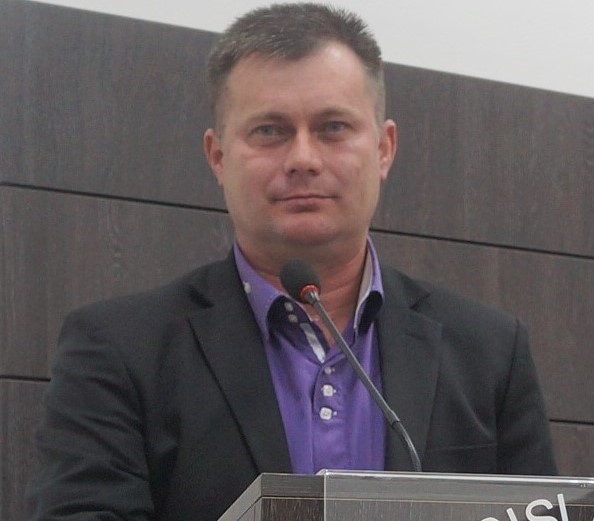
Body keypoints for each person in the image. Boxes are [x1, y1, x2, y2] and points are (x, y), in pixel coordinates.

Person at [27, 3, 556, 521]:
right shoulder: (119, 350)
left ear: (384, 148)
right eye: (270, 131)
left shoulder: (488, 351)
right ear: (218, 156)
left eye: (333, 127)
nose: (303, 158)